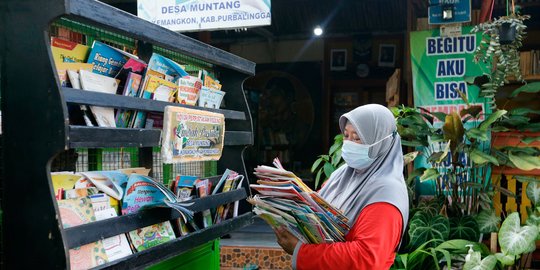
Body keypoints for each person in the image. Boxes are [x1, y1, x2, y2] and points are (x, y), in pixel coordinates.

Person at [273, 104, 409, 270]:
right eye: (346, 136)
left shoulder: (386, 194)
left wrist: (300, 251)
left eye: (357, 138)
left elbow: (366, 258)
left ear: (381, 142)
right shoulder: (341, 175)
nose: (350, 144)